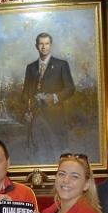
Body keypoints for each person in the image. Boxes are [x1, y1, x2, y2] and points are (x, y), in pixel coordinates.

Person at [22, 32, 75, 161]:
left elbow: (70, 88)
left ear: (51, 45)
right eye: (41, 44)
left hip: (55, 118)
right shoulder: (30, 67)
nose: (44, 47)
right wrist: (26, 111)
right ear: (36, 46)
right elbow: (26, 93)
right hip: (35, 117)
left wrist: (55, 97)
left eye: (46, 44)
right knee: (37, 152)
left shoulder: (61, 65)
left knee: (55, 153)